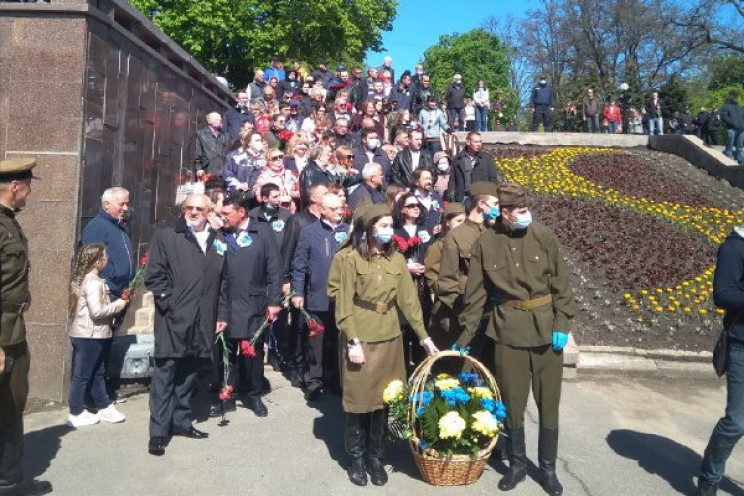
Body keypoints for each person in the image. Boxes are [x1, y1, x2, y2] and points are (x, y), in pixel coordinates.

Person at [455, 184, 575, 496]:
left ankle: (547, 468)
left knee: (549, 403)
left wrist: (562, 322)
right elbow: (475, 296)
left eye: (526, 210)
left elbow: (562, 285)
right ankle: (517, 465)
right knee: (512, 402)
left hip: (547, 332)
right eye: (520, 212)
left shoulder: (543, 236)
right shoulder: (486, 243)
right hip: (507, 331)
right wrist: (466, 336)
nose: (526, 216)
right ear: (504, 213)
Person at [335, 204, 439, 487]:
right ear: (368, 230)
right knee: (358, 402)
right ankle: (355, 457)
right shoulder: (352, 260)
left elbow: (409, 301)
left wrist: (424, 337)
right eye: (381, 226)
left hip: (391, 336)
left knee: (384, 401)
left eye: (389, 226)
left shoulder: (396, 261)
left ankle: (375, 457)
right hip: (363, 336)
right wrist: (352, 340)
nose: (387, 231)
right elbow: (343, 304)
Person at [144, 194, 226, 456]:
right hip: (173, 318)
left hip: (203, 319)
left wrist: (221, 314)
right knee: (165, 373)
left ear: (209, 210)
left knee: (190, 371)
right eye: (188, 208)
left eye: (199, 208)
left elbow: (223, 281)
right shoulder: (167, 235)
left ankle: (181, 421)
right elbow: (154, 275)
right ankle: (158, 432)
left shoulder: (218, 239)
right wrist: (169, 303)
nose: (193, 212)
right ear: (183, 210)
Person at [0, 157, 52, 496]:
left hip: (11, 327)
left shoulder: (8, 222)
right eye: (28, 185)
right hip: (3, 334)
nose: (30, 192)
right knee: (6, 407)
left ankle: (9, 479)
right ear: (15, 186)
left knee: (11, 404)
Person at [215, 193, 282, 417]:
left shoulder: (262, 232)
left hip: (255, 303)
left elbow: (274, 268)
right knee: (227, 353)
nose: (221, 217)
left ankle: (254, 395)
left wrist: (274, 301)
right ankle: (227, 395)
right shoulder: (221, 235)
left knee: (252, 353)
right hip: (226, 304)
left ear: (241, 213)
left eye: (226, 214)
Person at [696, 224, 744, 495]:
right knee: (738, 421)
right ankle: (710, 476)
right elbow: (722, 294)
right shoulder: (735, 247)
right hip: (741, 344)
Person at [291, 193, 348, 400]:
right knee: (316, 342)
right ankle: (314, 380)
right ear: (323, 210)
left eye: (341, 208)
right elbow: (299, 264)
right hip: (317, 296)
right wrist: (297, 292)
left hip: (342, 297)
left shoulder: (348, 231)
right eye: (334, 209)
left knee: (338, 340)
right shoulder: (309, 232)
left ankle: (336, 380)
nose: (339, 212)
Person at [66, 244, 129, 428]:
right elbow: (97, 311)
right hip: (89, 335)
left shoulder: (93, 279)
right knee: (83, 374)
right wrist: (119, 305)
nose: (107, 259)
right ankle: (76, 411)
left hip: (94, 334)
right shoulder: (93, 282)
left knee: (98, 372)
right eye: (105, 256)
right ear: (97, 261)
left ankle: (103, 405)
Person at [435, 182, 500, 347]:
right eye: (495, 204)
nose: (498, 209)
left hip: (495, 315)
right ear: (481, 203)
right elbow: (447, 281)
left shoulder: (496, 233)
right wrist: (463, 314)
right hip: (466, 313)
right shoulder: (457, 236)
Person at [280, 184, 329, 387]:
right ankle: (296, 367)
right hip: (300, 283)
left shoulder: (327, 221)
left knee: (316, 329)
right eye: (325, 194)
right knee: (299, 327)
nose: (329, 196)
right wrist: (286, 281)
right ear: (314, 199)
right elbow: (287, 252)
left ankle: (316, 369)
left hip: (319, 285)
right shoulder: (298, 220)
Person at [423, 202, 466, 348]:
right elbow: (432, 277)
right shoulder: (437, 247)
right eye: (459, 221)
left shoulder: (471, 243)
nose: (463, 225)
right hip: (447, 307)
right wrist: (451, 293)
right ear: (447, 222)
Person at [81, 187, 134, 300]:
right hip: (107, 293)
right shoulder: (97, 227)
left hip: (121, 291)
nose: (125, 208)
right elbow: (92, 260)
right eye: (121, 204)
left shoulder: (119, 225)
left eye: (127, 204)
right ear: (106, 205)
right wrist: (112, 282)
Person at [447, 132, 502, 202]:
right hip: (462, 198)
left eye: (480, 142)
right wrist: (451, 197)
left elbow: (493, 180)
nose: (479, 144)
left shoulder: (487, 159)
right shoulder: (457, 160)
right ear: (468, 142)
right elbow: (452, 180)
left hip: (481, 199)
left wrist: (492, 197)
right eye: (476, 142)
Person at [194, 112, 229, 181]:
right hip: (207, 169)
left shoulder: (225, 135)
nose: (219, 121)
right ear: (209, 121)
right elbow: (197, 152)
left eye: (220, 120)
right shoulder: (201, 134)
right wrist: (198, 169)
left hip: (222, 171)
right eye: (216, 119)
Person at [410, 168, 443, 235]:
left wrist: (440, 225)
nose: (429, 181)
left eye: (430, 179)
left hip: (435, 239)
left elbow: (442, 217)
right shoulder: (409, 198)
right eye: (425, 179)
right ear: (416, 182)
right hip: (416, 240)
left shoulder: (437, 198)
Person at [722, 90, 744, 164]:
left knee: (740, 146)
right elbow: (724, 117)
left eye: (736, 96)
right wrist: (732, 123)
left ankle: (741, 160)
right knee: (730, 144)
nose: (735, 97)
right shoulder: (726, 106)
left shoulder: (740, 107)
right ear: (730, 95)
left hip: (741, 130)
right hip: (731, 129)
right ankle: (728, 156)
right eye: (734, 95)